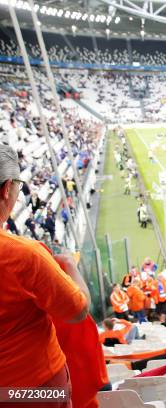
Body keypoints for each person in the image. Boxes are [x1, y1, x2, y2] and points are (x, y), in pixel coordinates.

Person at [0, 145, 90, 396]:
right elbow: (77, 310)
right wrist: (71, 268)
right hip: (32, 385)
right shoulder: (24, 255)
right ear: (7, 188)